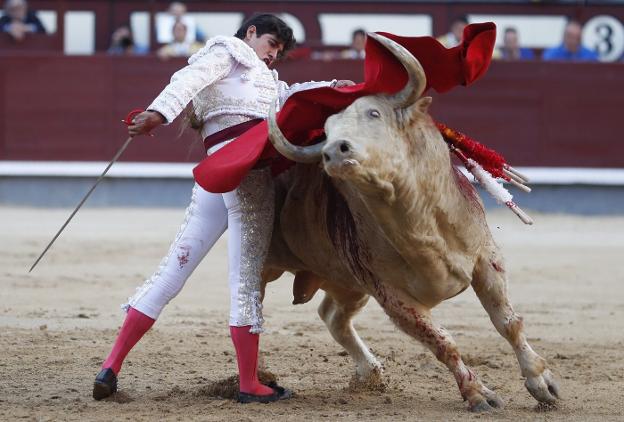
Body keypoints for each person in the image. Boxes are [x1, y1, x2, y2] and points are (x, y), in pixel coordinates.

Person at [93, 13, 352, 404]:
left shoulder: (266, 80)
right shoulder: (227, 51)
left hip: (215, 179)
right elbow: (187, 80)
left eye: (279, 52)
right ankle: (249, 383)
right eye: (271, 44)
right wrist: (158, 114)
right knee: (245, 280)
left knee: (170, 273)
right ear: (250, 33)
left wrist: (333, 86)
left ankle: (110, 366)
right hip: (247, 179)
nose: (272, 55)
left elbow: (293, 95)